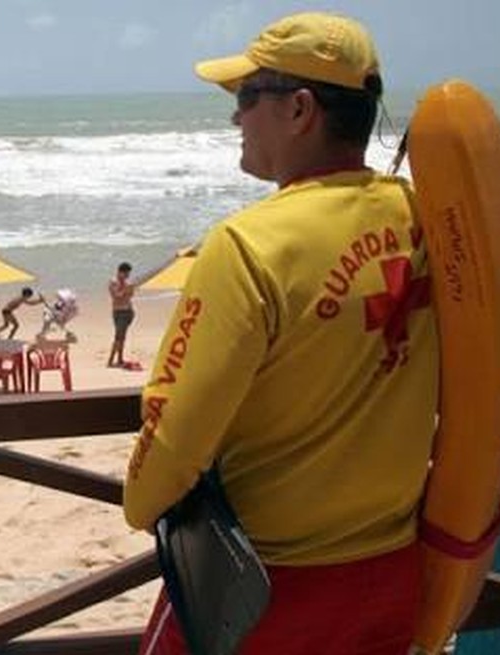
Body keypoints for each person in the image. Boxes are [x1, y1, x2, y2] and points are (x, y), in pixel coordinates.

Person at [124, 12, 438, 655]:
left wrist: (140, 503)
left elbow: (176, 431)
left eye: (245, 98)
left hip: (261, 587)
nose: (235, 118)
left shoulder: (248, 247)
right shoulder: (429, 220)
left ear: (299, 110)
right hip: (391, 571)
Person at [107, 262, 136, 368]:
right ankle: (110, 360)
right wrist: (125, 290)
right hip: (118, 312)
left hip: (128, 311)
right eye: (126, 273)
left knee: (122, 337)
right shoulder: (113, 282)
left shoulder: (128, 283)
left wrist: (129, 290)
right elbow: (116, 297)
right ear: (120, 272)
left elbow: (130, 296)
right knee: (118, 337)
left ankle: (119, 358)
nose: (128, 276)